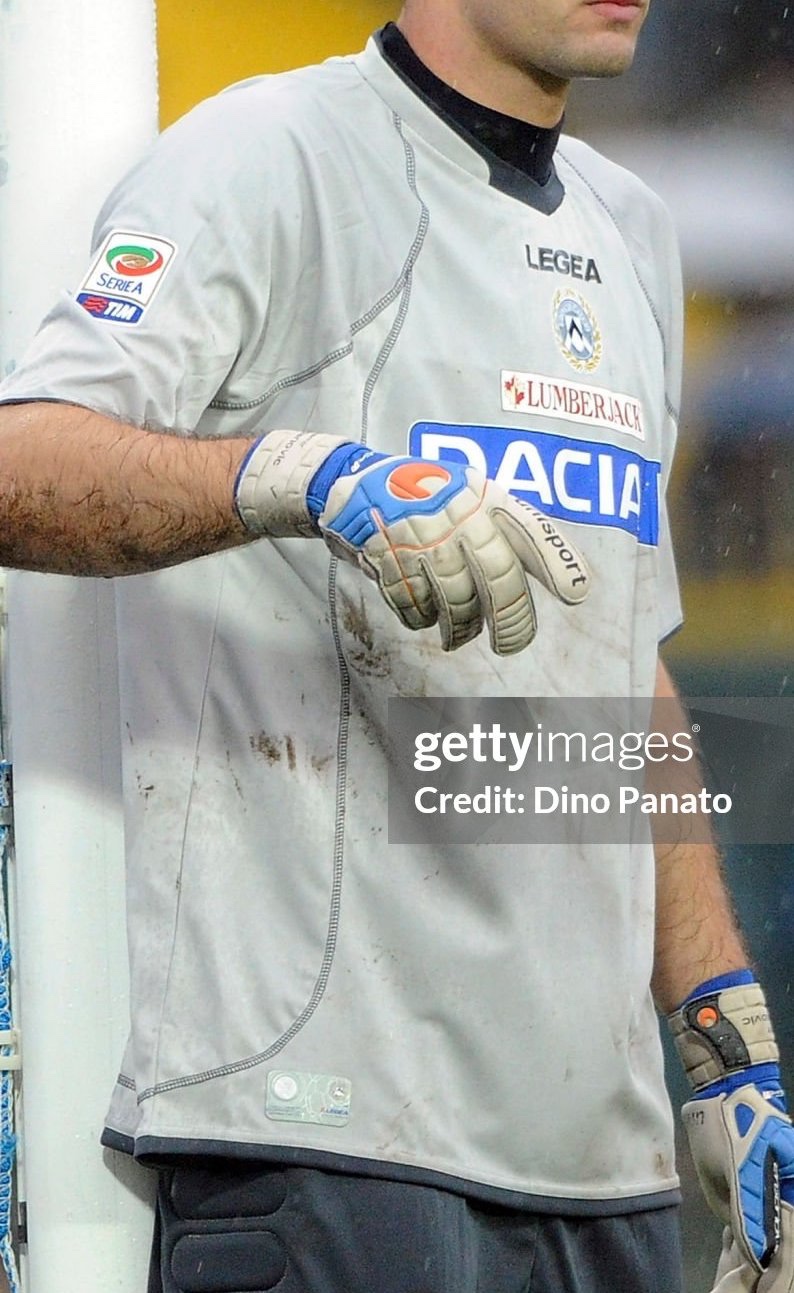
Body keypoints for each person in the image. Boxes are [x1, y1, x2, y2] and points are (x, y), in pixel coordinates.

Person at [0, 2, 792, 1290]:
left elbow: (623, 669)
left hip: (601, 1165)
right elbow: (20, 463)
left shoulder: (633, 229)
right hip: (323, 1138)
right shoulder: (271, 154)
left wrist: (724, 1040)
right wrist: (304, 477)